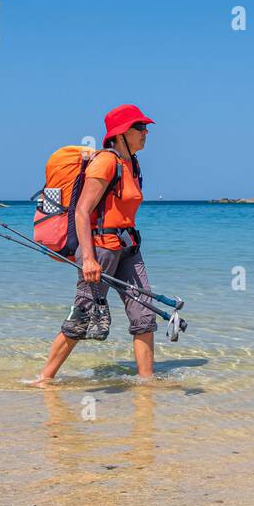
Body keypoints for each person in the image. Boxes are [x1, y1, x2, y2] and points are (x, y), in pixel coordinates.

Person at [33, 104, 157, 384]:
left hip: (128, 249)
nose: (146, 132)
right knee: (84, 313)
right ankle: (44, 379)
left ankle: (147, 384)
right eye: (140, 127)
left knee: (144, 314)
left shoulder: (133, 164)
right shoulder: (106, 162)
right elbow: (81, 211)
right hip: (100, 250)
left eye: (145, 127)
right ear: (122, 133)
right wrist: (88, 258)